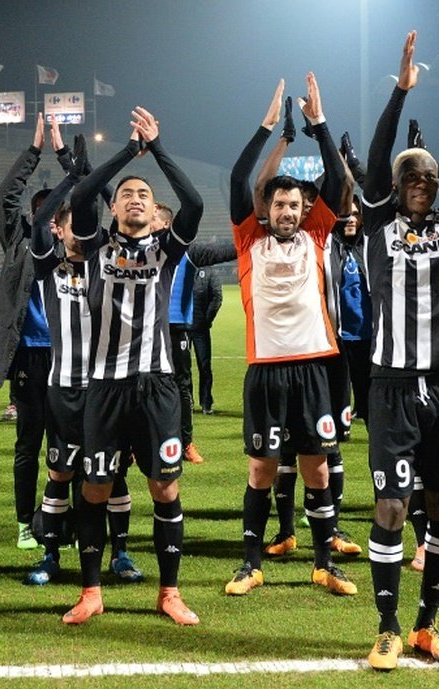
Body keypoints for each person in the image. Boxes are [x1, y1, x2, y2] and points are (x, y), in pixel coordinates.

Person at [363, 28, 439, 670]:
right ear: (397, 183)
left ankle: (425, 627)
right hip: (393, 385)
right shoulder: (380, 227)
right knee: (393, 504)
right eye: (414, 172)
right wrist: (400, 91)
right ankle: (385, 626)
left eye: (431, 176)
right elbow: (380, 155)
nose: (424, 178)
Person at [63, 106, 203, 626]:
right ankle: (91, 590)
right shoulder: (96, 245)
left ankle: (169, 592)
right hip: (104, 386)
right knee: (95, 488)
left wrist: (157, 150)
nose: (136, 199)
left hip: (156, 385)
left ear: (153, 209)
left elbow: (193, 201)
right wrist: (128, 152)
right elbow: (80, 195)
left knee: (165, 488)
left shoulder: (167, 248)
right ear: (115, 208)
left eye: (143, 194)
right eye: (127, 194)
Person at [224, 75, 356, 599]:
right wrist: (265, 127)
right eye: (278, 204)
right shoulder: (247, 238)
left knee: (317, 469)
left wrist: (320, 125)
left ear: (305, 211)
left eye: (293, 205)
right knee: (261, 469)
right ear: (267, 210)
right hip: (266, 370)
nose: (285, 211)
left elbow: (341, 184)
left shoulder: (319, 234)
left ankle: (324, 563)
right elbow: (238, 178)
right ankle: (250, 562)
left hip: (316, 367)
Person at [25, 126, 143, 587]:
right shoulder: (48, 267)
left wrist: (89, 176)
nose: (77, 226)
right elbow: (37, 224)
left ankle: (121, 552)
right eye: (68, 220)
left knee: (112, 475)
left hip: (107, 387)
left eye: (82, 219)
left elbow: (112, 209)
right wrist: (69, 180)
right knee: (59, 471)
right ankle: (51, 556)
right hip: (64, 389)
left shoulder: (107, 261)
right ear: (60, 225)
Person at [0, 114, 76, 550]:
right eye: (42, 213)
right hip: (31, 357)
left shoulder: (79, 247)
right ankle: (23, 523)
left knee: (70, 443)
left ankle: (65, 522)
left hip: (70, 356)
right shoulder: (18, 242)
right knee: (28, 442)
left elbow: (90, 190)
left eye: (55, 215)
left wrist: (63, 155)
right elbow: (4, 197)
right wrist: (34, 151)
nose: (48, 221)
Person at [161, 203, 236, 465]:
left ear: (166, 225)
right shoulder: (140, 252)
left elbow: (225, 252)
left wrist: (250, 236)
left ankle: (186, 442)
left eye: (154, 221)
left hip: (177, 328)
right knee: (142, 387)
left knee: (181, 386)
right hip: (146, 331)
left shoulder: (188, 252)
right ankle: (138, 444)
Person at [190, 261, 223, 415]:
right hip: (180, 328)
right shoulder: (180, 267)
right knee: (182, 367)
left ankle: (206, 403)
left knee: (204, 366)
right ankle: (187, 401)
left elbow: (217, 297)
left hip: (200, 328)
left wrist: (206, 319)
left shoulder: (210, 272)